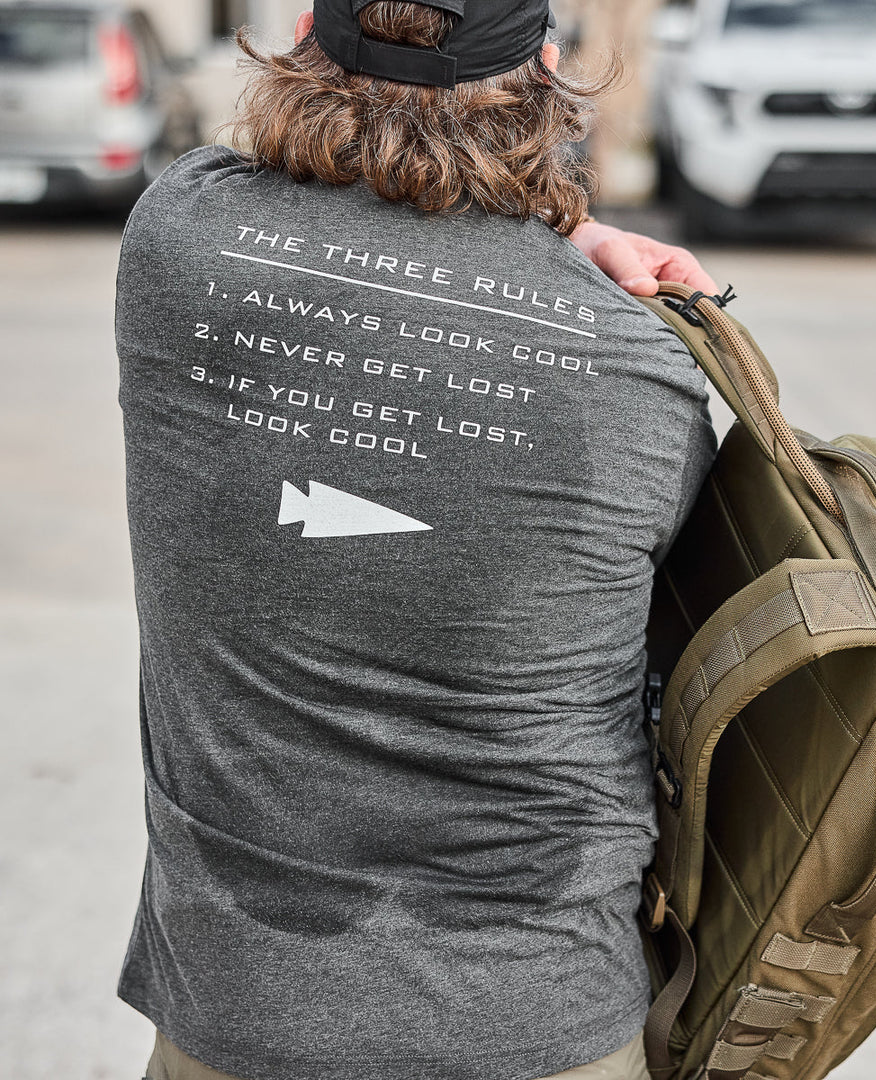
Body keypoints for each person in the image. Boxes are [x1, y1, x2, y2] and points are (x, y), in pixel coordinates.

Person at [115, 3, 718, 1078]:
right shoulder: (647, 368)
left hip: (241, 1015)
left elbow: (269, 172)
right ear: (546, 68)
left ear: (304, 32)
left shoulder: (177, 243)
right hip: (541, 1021)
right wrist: (565, 246)